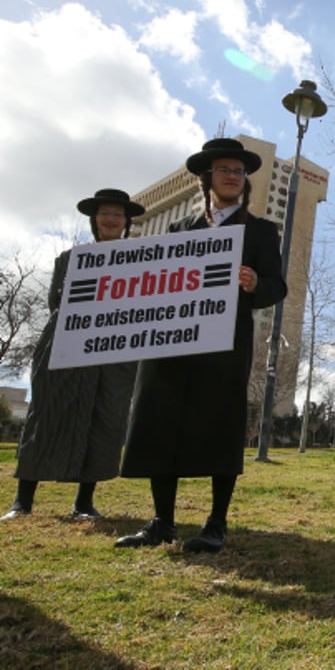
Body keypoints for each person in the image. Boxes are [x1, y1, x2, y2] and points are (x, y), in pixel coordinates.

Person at [115, 138, 287, 553]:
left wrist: (254, 285)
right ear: (207, 178)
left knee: (219, 424)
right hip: (172, 343)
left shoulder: (261, 231)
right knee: (161, 420)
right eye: (224, 170)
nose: (233, 177)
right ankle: (162, 520)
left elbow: (276, 286)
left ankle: (216, 522)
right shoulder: (178, 232)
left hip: (225, 344)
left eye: (239, 172)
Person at [3, 189, 145, 521]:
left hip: (114, 349)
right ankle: (22, 501)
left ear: (126, 222)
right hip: (66, 343)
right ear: (95, 220)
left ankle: (84, 501)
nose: (111, 219)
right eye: (105, 213)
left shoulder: (139, 260)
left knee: (104, 419)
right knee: (46, 414)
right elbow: (55, 302)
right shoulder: (70, 258)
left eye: (118, 214)